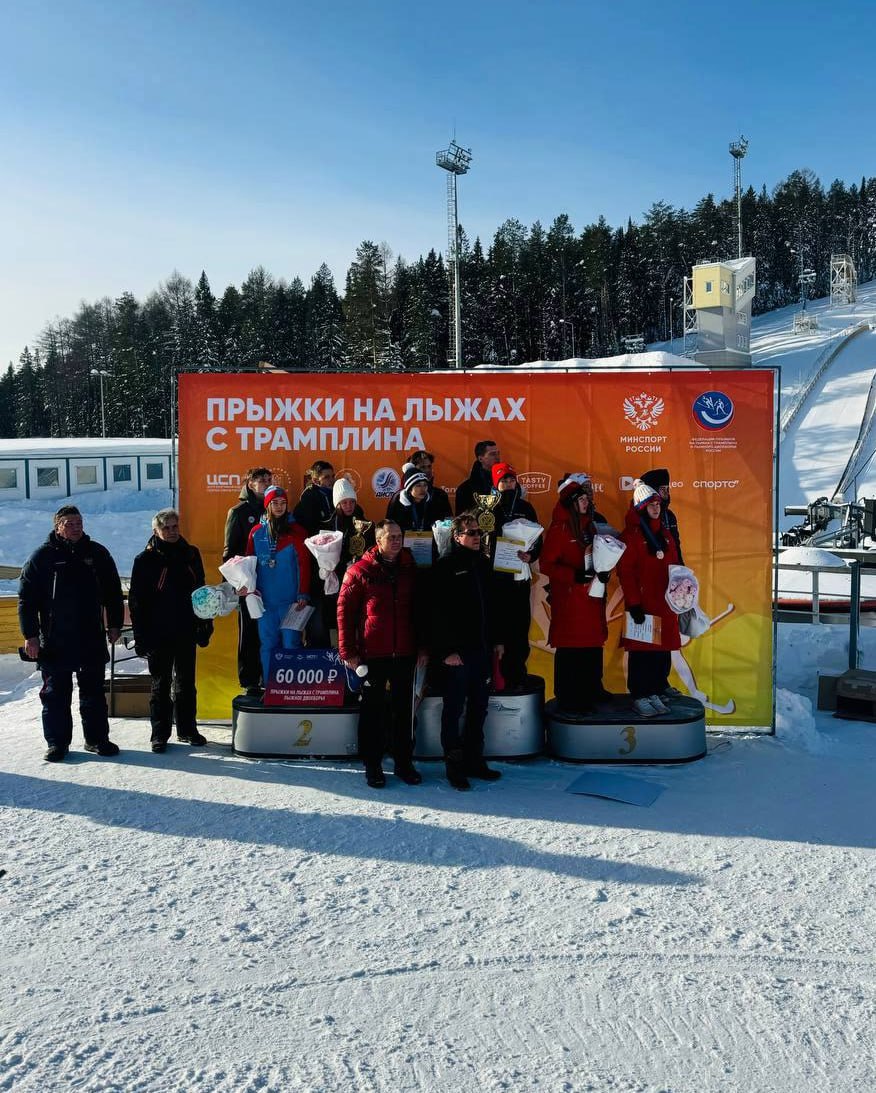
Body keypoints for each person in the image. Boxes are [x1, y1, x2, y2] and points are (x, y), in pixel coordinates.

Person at [18, 505, 123, 761]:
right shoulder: (42, 557)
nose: (76, 527)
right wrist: (30, 635)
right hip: (55, 639)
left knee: (94, 693)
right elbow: (26, 601)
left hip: (90, 636)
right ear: (57, 526)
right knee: (55, 695)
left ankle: (97, 739)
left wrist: (114, 624)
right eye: (69, 523)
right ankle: (57, 743)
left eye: (79, 522)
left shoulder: (97, 553)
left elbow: (113, 592)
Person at [337, 520, 425, 789]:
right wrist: (347, 651)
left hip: (405, 653)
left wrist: (423, 647)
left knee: (403, 711)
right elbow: (344, 612)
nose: (397, 541)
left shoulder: (411, 569)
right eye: (391, 537)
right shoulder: (360, 570)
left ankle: (403, 762)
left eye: (399, 536)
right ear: (378, 540)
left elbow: (421, 613)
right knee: (373, 712)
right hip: (372, 654)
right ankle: (373, 765)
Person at [129, 509, 213, 752]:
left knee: (186, 683)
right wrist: (140, 635)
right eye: (166, 528)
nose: (172, 531)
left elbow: (202, 592)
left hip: (186, 628)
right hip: (158, 632)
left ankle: (188, 729)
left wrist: (205, 624)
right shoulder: (144, 560)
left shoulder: (191, 553)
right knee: (161, 684)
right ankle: (159, 733)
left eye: (175, 526)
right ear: (156, 531)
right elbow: (136, 601)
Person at [430, 512, 502, 790]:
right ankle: (454, 765)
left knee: (479, 708)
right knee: (453, 710)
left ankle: (475, 760)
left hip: (481, 651)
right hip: (456, 654)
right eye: (470, 533)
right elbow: (436, 614)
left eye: (478, 533)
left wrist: (497, 640)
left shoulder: (482, 564)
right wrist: (446, 651)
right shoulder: (446, 566)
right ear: (457, 536)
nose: (476, 537)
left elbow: (492, 608)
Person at [540, 473, 611, 715]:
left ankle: (591, 690)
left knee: (592, 644)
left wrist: (603, 573)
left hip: (591, 597)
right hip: (570, 599)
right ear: (571, 502)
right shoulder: (559, 529)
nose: (585, 502)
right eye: (581, 498)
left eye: (585, 498)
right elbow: (546, 565)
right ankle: (569, 696)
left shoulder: (589, 525)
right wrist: (573, 576)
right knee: (571, 648)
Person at [617, 480, 682, 718]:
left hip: (663, 601)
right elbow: (626, 572)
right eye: (651, 504)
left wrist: (681, 591)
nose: (656, 508)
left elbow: (674, 565)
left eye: (658, 504)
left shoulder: (664, 533)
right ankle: (639, 694)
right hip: (643, 603)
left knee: (660, 649)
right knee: (641, 651)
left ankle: (654, 689)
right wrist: (633, 602)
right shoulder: (631, 535)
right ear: (640, 507)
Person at [246, 486, 312, 684]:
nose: (279, 507)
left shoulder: (297, 531)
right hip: (264, 602)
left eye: (283, 503)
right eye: (274, 503)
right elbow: (248, 564)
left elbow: (304, 565)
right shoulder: (256, 533)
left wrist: (303, 594)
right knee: (268, 645)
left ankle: (291, 690)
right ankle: (270, 687)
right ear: (267, 505)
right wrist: (248, 589)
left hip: (292, 601)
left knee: (291, 643)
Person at [486, 462, 542, 691]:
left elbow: (538, 538)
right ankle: (496, 675)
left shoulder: (526, 507)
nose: (509, 485)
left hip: (520, 576)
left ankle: (517, 673)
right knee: (498, 626)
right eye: (503, 481)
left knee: (520, 626)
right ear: (495, 484)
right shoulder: (488, 509)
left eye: (511, 480)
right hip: (496, 577)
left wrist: (531, 555)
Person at [223, 466, 272, 695]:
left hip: (272, 580)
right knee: (250, 633)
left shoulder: (274, 508)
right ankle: (250, 681)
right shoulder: (239, 512)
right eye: (261, 479)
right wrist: (237, 583)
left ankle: (271, 677)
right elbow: (229, 552)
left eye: (269, 479)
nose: (265, 482)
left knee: (270, 632)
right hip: (248, 582)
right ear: (249, 483)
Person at [311, 476, 374, 646]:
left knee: (356, 620)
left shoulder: (366, 525)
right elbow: (318, 554)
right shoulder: (327, 526)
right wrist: (324, 568)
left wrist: (359, 563)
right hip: (334, 583)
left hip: (357, 582)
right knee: (335, 620)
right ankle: (336, 658)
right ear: (337, 504)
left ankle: (358, 656)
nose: (348, 506)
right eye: (344, 502)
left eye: (351, 502)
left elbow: (371, 552)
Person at [386, 465, 452, 533]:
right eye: (418, 485)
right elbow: (389, 526)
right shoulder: (397, 500)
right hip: (403, 541)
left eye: (425, 485)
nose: (422, 489)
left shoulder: (435, 499)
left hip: (430, 540)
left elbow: (447, 522)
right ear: (409, 489)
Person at [640, 468, 683, 564]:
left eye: (667, 489)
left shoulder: (669, 515)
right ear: (652, 490)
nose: (667, 493)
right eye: (662, 489)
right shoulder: (638, 517)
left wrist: (681, 568)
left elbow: (676, 546)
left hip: (669, 571)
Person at [455, 439, 501, 514]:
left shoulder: (507, 482)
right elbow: (461, 520)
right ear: (480, 458)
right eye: (492, 454)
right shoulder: (465, 489)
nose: (497, 457)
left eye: (498, 453)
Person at [293, 460, 336, 534]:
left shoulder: (336, 492)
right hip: (316, 541)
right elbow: (310, 527)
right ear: (315, 481)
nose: (332, 480)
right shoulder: (308, 497)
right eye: (326, 477)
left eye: (333, 476)